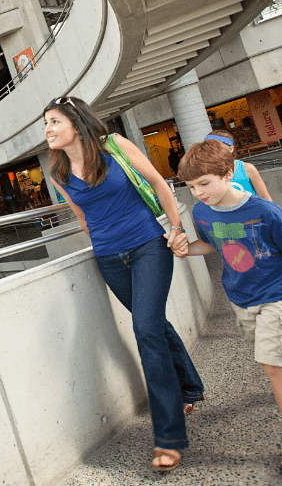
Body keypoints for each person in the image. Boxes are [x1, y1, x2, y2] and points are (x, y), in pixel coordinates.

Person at [174, 140, 282, 483]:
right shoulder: (202, 213)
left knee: (272, 365)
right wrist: (186, 249)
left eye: (204, 183)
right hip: (242, 298)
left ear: (228, 174)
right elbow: (213, 244)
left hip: (279, 296)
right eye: (191, 186)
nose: (197, 193)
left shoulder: (266, 212)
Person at [44, 96, 203, 472]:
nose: (48, 130)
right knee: (154, 326)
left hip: (149, 245)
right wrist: (103, 246)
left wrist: (176, 227)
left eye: (54, 122)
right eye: (46, 124)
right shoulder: (59, 173)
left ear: (76, 123)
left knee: (145, 328)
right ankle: (190, 386)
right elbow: (83, 217)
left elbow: (160, 185)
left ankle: (169, 437)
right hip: (109, 259)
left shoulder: (115, 146)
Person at [204, 129, 273, 201]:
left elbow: (266, 198)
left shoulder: (247, 168)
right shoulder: (206, 172)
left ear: (231, 149)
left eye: (218, 148)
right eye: (208, 149)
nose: (213, 152)